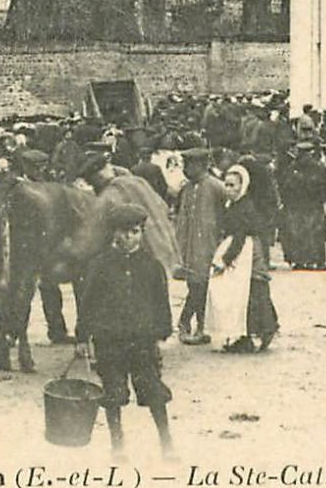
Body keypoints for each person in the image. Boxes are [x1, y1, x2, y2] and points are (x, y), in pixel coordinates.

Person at [76, 202, 175, 457]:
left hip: (143, 341)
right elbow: (87, 302)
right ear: (113, 233)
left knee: (154, 390)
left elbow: (160, 300)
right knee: (113, 392)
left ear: (142, 233)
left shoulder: (152, 266)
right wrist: (82, 335)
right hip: (109, 341)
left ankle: (166, 444)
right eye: (123, 232)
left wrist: (162, 329)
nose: (129, 238)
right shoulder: (100, 265)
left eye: (135, 232)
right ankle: (117, 444)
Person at [210, 162, 280, 352]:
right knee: (242, 293)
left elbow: (240, 236)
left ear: (243, 186)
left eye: (233, 185)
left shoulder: (244, 206)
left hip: (248, 252)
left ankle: (259, 332)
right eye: (226, 184)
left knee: (253, 292)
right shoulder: (234, 204)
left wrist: (225, 260)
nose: (228, 189)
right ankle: (245, 334)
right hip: (242, 249)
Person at [174, 148, 225, 344]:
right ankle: (197, 326)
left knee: (201, 285)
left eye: (190, 165)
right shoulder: (187, 189)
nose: (186, 169)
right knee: (195, 285)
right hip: (189, 245)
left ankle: (188, 322)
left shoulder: (215, 186)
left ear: (202, 165)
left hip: (208, 245)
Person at [278, 145, 326, 269]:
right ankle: (316, 261)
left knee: (297, 232)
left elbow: (284, 187)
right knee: (316, 232)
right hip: (313, 206)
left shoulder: (292, 167)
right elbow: (325, 187)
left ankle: (298, 261)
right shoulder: (318, 167)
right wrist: (320, 200)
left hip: (295, 206)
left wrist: (287, 202)